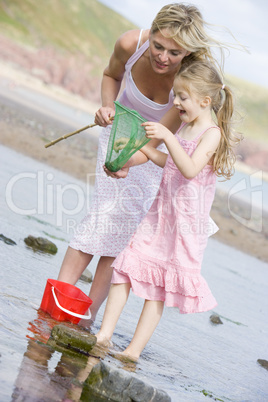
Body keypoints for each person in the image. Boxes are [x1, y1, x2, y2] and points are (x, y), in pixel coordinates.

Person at [57, 3, 231, 322]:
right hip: (118, 135)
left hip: (155, 152)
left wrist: (127, 163)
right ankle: (57, 301)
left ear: (188, 53)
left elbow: (154, 143)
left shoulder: (187, 79)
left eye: (174, 52)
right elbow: (111, 75)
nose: (163, 57)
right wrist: (106, 108)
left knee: (122, 232)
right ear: (149, 33)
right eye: (158, 45)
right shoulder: (129, 44)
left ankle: (86, 316)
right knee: (103, 215)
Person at [95, 60, 241, 360]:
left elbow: (188, 169)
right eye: (175, 95)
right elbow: (171, 163)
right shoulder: (186, 126)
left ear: (205, 101)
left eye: (182, 97)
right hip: (160, 212)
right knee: (125, 265)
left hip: (184, 223)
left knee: (159, 285)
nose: (175, 103)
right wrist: (146, 148)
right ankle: (104, 334)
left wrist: (166, 136)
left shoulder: (211, 133)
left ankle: (133, 351)